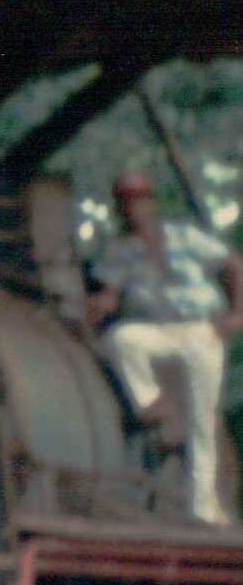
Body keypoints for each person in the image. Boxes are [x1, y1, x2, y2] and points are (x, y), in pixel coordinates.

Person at [85, 171, 243, 524]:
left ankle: (203, 507)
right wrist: (98, 305)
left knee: (203, 421)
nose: (133, 209)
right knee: (122, 339)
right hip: (158, 330)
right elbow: (110, 295)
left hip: (200, 329)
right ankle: (150, 400)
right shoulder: (119, 251)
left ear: (151, 203)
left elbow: (234, 263)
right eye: (125, 203)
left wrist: (237, 314)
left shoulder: (185, 236)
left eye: (139, 200)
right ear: (118, 210)